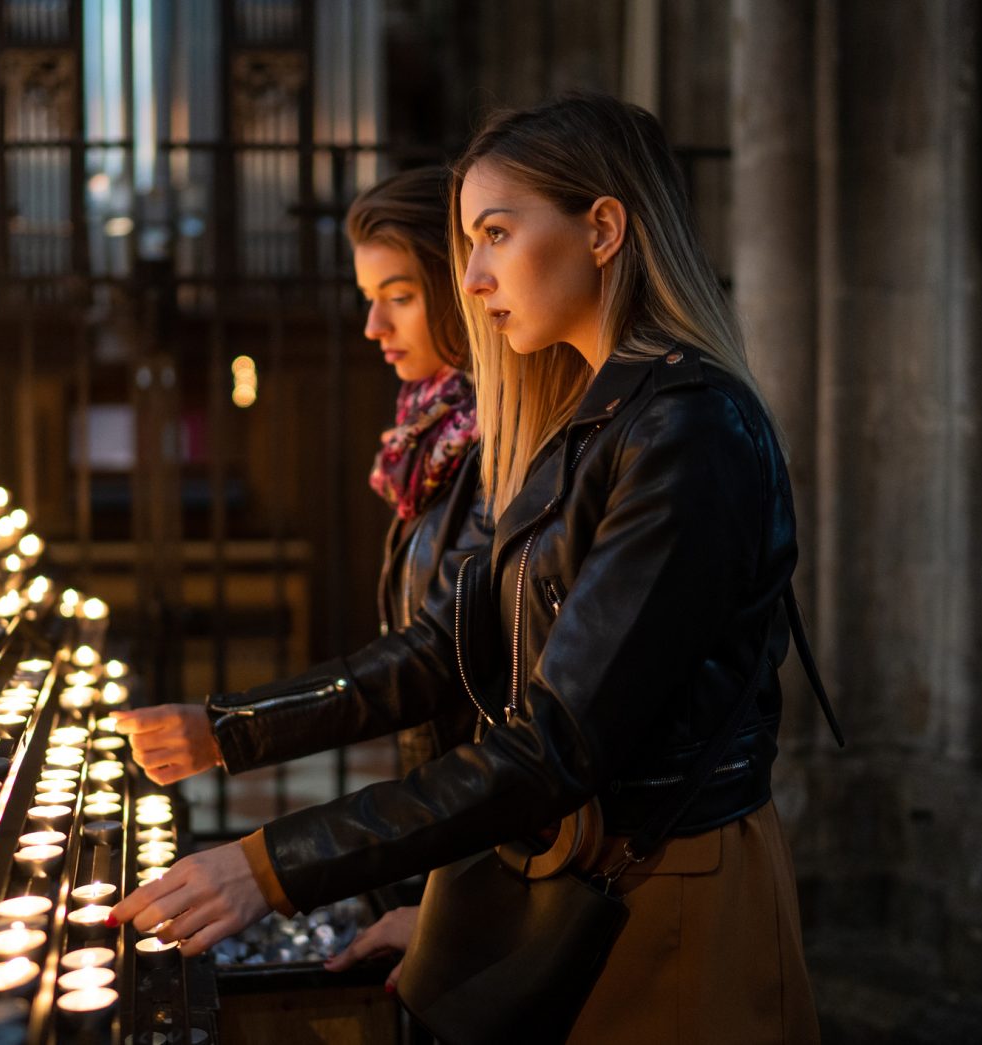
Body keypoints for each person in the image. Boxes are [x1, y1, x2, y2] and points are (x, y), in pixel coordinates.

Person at [112, 92, 825, 1043]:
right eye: (466, 242)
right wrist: (234, 733)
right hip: (573, 876)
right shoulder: (585, 421)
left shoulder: (686, 430)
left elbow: (557, 742)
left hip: (667, 892)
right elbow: (451, 648)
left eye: (494, 233)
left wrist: (270, 865)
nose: (475, 276)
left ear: (604, 228)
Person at [112, 167, 483, 784]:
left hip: (482, 805)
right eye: (369, 298)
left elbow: (436, 657)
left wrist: (229, 728)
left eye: (400, 296)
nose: (373, 326)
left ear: (461, 288)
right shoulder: (430, 432)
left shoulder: (493, 437)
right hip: (441, 785)